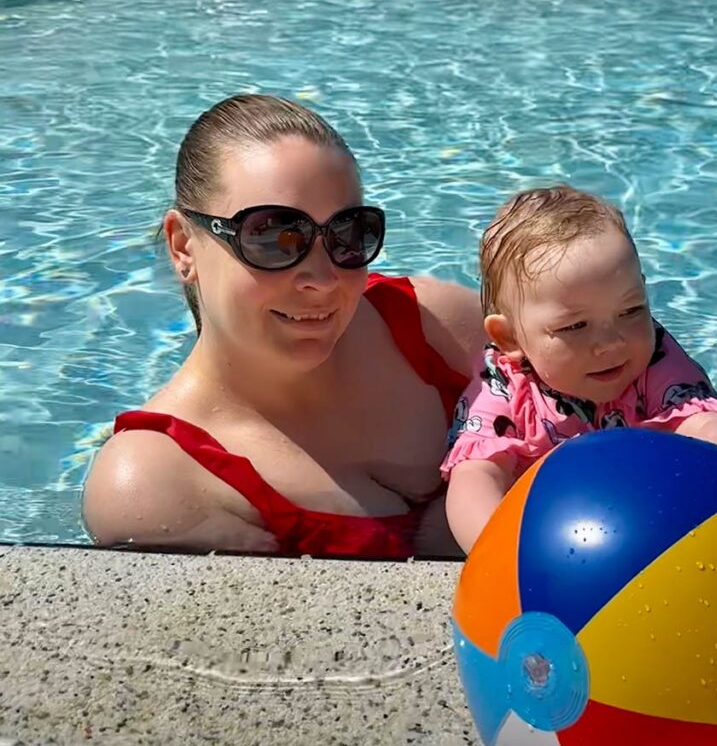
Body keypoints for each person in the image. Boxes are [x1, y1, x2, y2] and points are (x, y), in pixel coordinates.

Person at [82, 94, 484, 558]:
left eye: (347, 234)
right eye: (273, 236)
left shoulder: (440, 328)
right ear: (183, 247)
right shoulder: (155, 480)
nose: (322, 279)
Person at [442, 185, 717, 553]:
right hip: (548, 539)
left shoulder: (654, 358)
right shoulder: (503, 384)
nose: (611, 343)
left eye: (631, 311)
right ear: (509, 337)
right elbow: (473, 478)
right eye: (574, 326)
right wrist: (507, 555)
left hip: (650, 523)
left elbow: (711, 428)